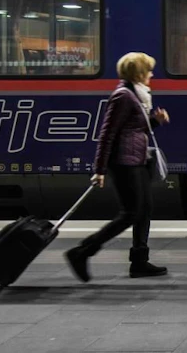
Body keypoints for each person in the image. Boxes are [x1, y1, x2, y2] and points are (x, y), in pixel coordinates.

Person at [65, 52, 171, 281]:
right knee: (130, 214)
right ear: (139, 73)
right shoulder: (123, 96)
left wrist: (155, 122)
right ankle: (81, 252)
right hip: (124, 164)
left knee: (144, 211)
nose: (152, 74)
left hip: (138, 161)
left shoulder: (138, 95)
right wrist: (99, 169)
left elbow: (133, 130)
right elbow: (107, 134)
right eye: (149, 70)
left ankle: (140, 262)